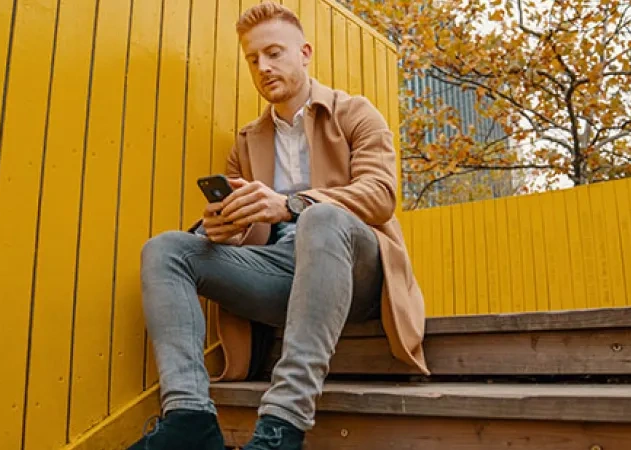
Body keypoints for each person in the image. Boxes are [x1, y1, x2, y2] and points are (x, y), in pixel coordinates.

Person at [131, 2, 428, 449]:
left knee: (322, 217)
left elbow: (381, 196)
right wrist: (224, 227)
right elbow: (252, 226)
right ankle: (189, 417)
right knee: (166, 249)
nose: (263, 67)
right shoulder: (248, 141)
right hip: (281, 277)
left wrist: (292, 204)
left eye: (274, 53)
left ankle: (282, 425)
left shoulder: (356, 112)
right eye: (253, 59)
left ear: (304, 52)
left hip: (356, 274)